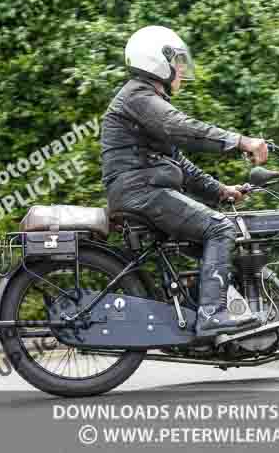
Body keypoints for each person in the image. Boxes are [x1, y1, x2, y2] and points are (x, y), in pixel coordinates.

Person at [100, 25, 268, 338]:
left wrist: (221, 190)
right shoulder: (138, 97)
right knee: (221, 228)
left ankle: (212, 309)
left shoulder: (144, 99)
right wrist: (241, 141)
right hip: (142, 192)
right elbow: (183, 128)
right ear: (155, 61)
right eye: (175, 61)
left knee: (209, 238)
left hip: (145, 189)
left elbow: (179, 163)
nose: (180, 69)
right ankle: (211, 315)